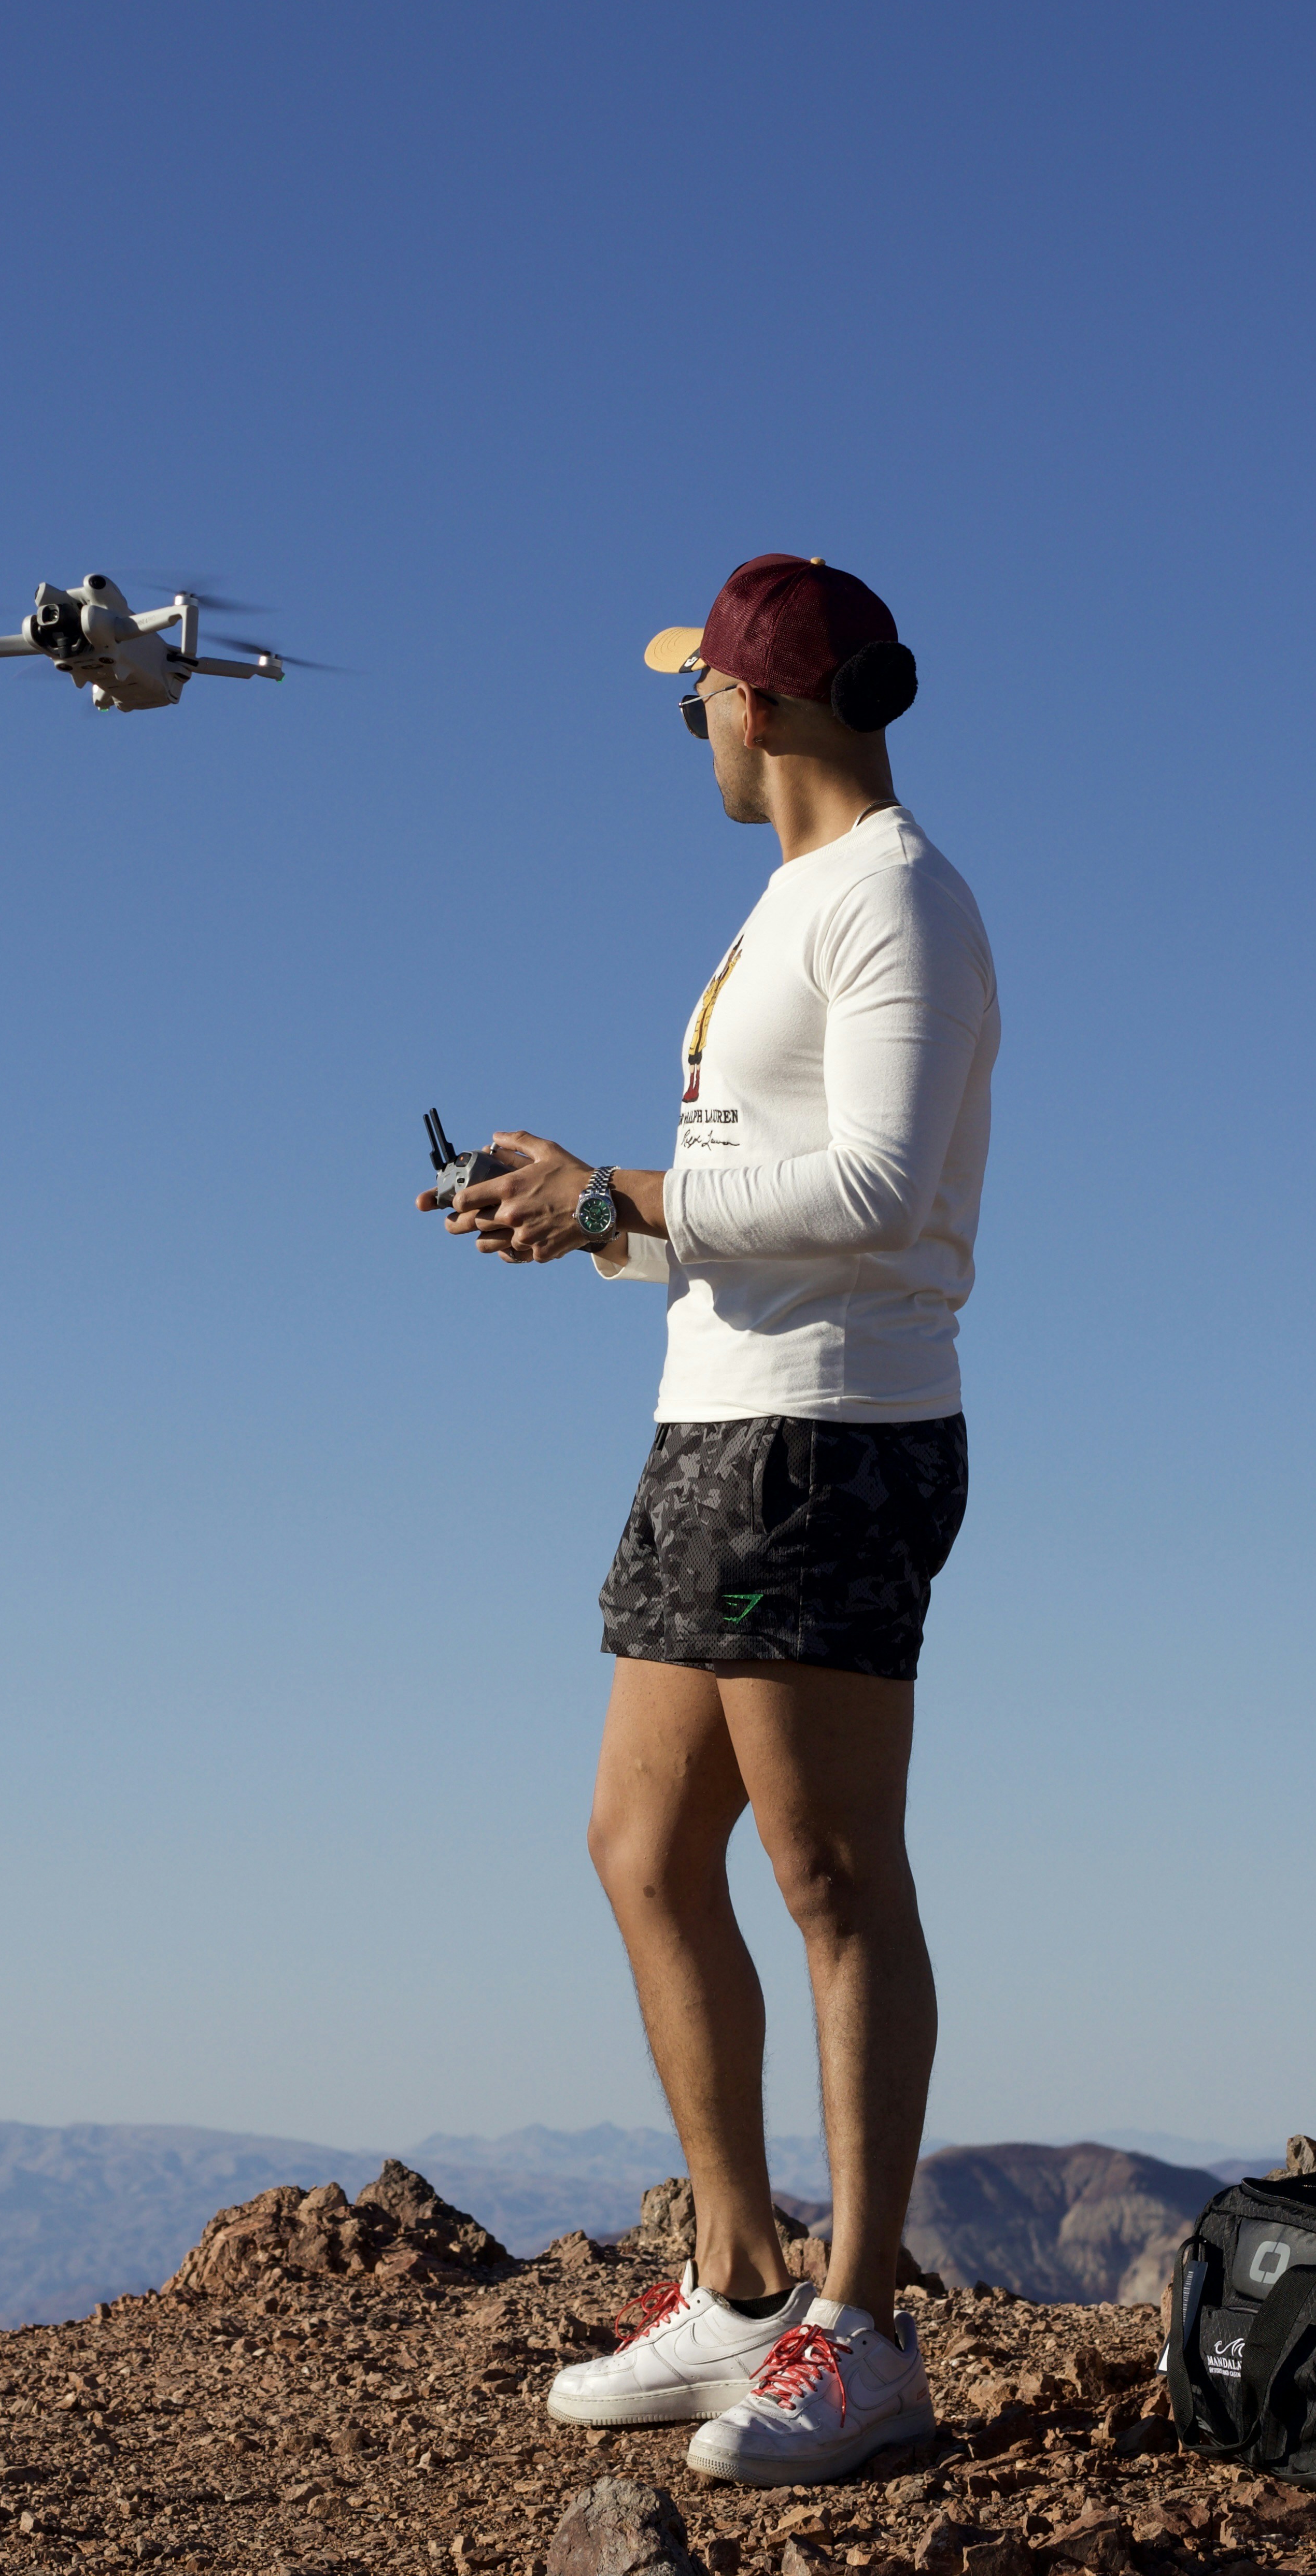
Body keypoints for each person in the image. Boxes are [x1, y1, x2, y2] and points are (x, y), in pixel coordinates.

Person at [416, 552, 999, 2488]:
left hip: (830, 1439)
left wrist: (624, 1200)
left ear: (763, 709)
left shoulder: (901, 900)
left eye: (700, 705)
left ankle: (866, 2326)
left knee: (833, 1879)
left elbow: (884, 1193)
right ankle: (739, 2277)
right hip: (714, 1420)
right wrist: (579, 1222)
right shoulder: (792, 904)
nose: (694, 735)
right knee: (644, 1842)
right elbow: (750, 1187)